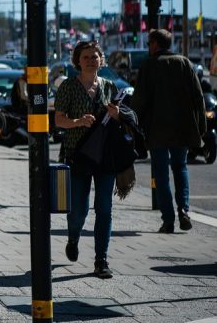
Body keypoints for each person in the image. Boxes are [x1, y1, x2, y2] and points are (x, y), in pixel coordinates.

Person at [54, 41, 120, 279]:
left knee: (104, 209)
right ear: (77, 61)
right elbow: (58, 120)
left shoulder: (110, 87)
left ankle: (101, 260)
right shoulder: (68, 87)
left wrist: (117, 115)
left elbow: (119, 123)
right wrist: (78, 122)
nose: (91, 60)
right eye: (86, 57)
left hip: (104, 157)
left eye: (95, 56)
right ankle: (73, 237)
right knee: (79, 210)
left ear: (101, 60)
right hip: (77, 154)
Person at [131, 29, 206, 233]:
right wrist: (201, 128)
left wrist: (132, 125)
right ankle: (184, 210)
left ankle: (168, 219)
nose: (148, 47)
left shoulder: (149, 65)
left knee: (161, 175)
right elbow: (198, 97)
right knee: (180, 168)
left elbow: (139, 101)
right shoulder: (184, 63)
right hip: (182, 128)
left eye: (149, 43)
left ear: (155, 44)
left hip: (157, 130)